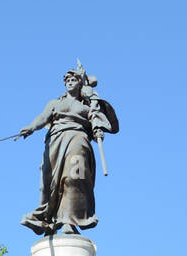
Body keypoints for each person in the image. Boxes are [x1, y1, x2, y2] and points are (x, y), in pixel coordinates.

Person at [17, 62, 119, 236]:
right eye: (68, 80)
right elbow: (42, 118)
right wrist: (31, 127)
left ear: (80, 83)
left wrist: (95, 108)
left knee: (74, 177)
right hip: (55, 142)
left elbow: (109, 124)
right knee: (49, 184)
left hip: (78, 140)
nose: (70, 82)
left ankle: (69, 221)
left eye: (74, 80)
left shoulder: (88, 106)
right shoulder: (54, 103)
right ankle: (48, 220)